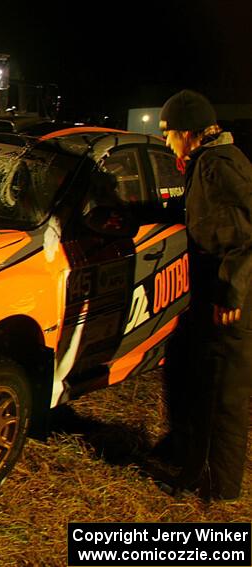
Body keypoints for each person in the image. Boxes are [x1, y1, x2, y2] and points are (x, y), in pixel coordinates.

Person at [155, 89, 252, 501]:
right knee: (191, 372)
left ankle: (215, 483)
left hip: (231, 301)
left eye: (168, 133)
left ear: (190, 133)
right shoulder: (207, 162)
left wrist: (231, 293)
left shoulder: (217, 167)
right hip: (216, 292)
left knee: (223, 393)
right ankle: (188, 456)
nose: (165, 141)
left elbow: (245, 237)